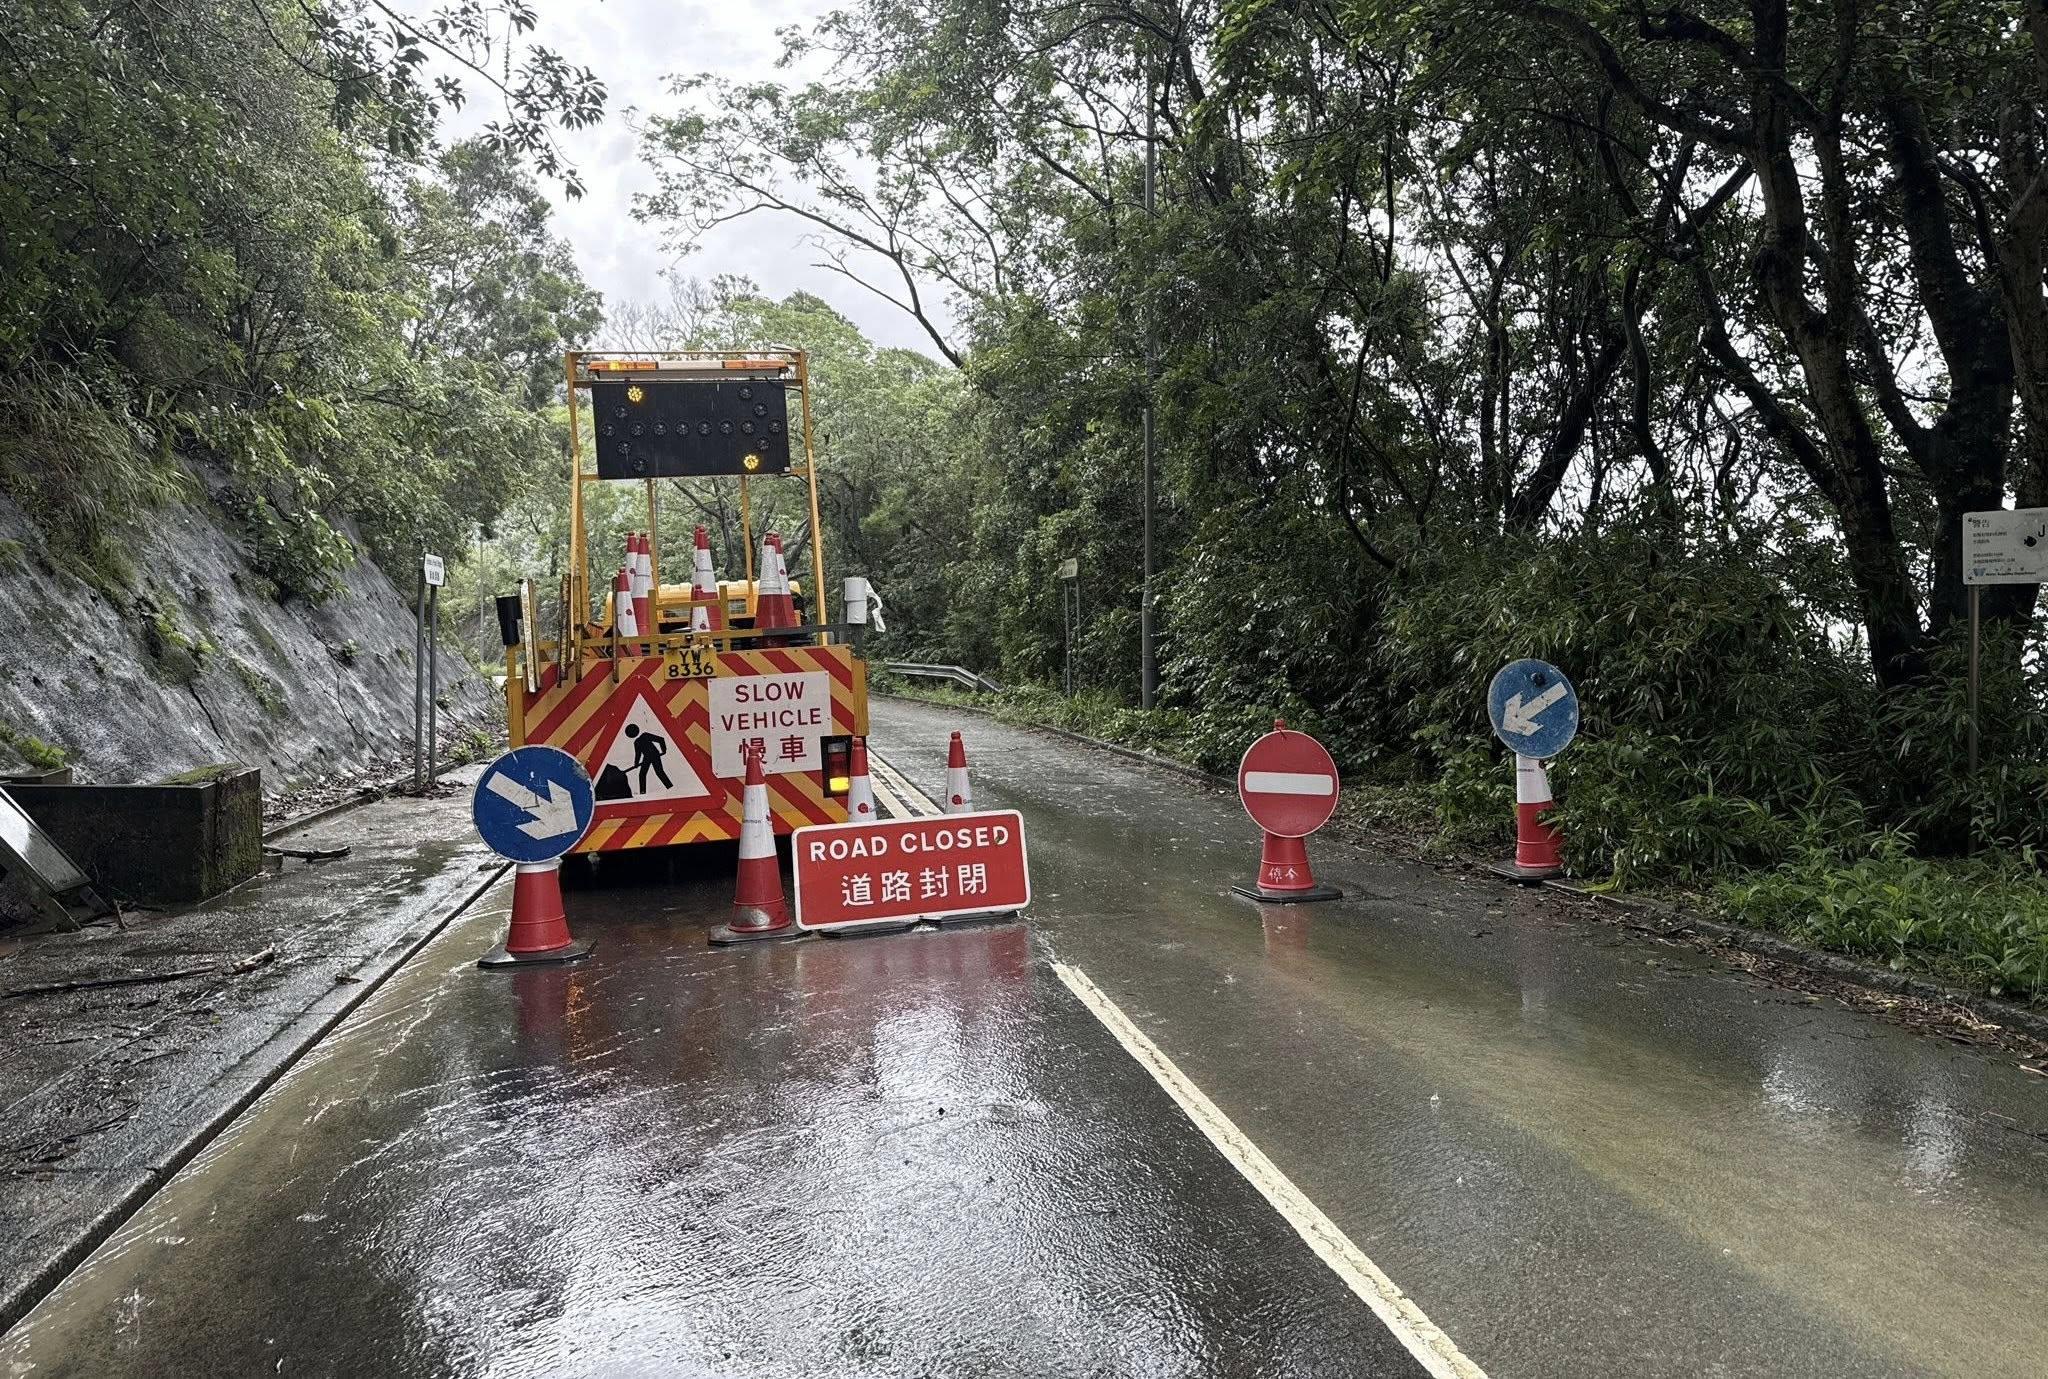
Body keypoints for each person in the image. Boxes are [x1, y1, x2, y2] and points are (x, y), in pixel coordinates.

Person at [624, 723, 672, 794]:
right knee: (642, 774)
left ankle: (670, 787)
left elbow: (660, 739)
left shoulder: (644, 736)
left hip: (654, 755)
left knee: (659, 772)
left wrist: (664, 749)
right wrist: (636, 764)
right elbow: (638, 754)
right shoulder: (637, 742)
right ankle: (643, 792)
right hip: (647, 757)